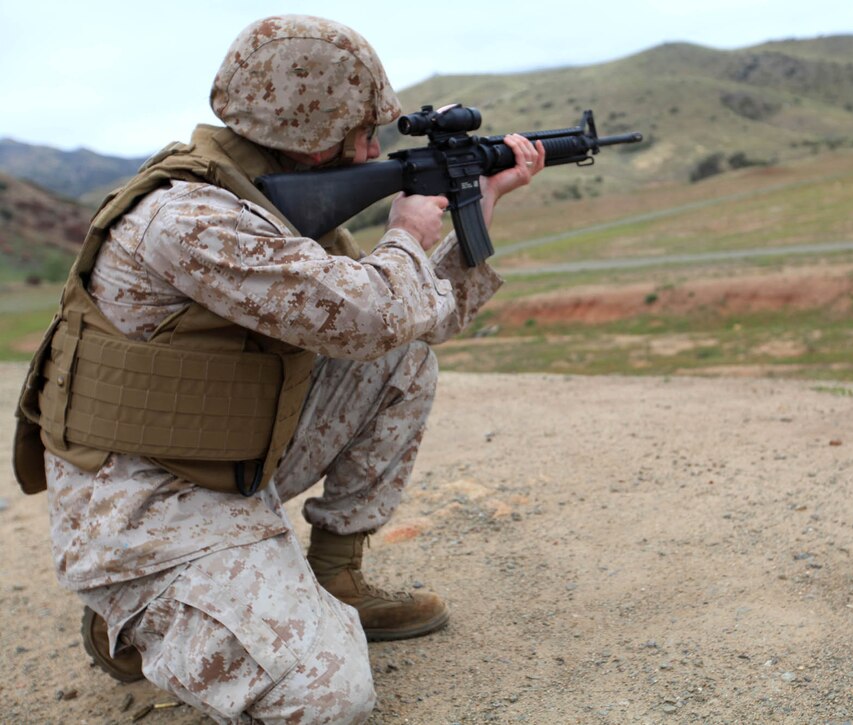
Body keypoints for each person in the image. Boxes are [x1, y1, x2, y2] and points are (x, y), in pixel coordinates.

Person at [12, 15, 543, 722]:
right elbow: (371, 313)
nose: (374, 147)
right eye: (362, 131)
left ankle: (334, 577)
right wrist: (409, 229)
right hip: (148, 507)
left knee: (402, 360)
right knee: (327, 696)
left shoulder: (272, 203)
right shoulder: (192, 219)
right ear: (315, 134)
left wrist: (486, 201)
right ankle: (145, 617)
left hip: (223, 458)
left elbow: (412, 320)